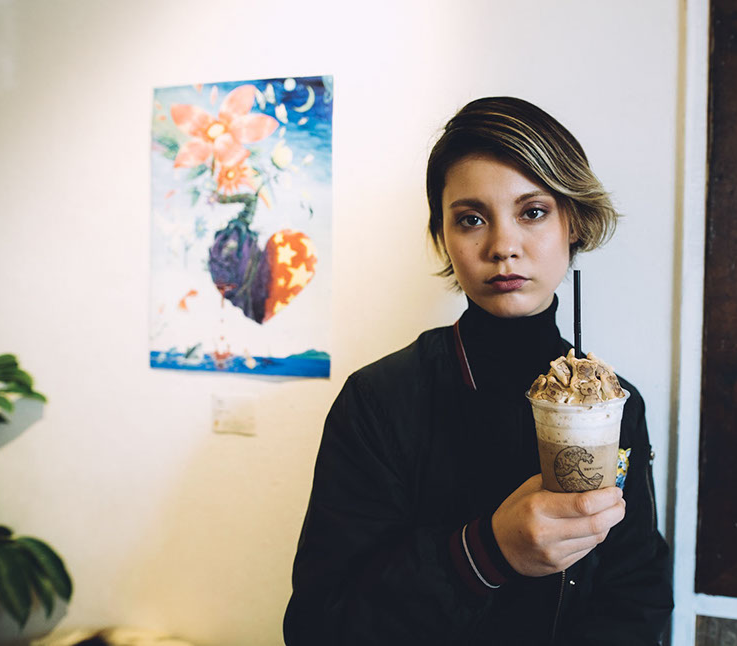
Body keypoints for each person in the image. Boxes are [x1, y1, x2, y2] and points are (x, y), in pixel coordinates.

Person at [283, 97, 673, 645]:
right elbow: (318, 625)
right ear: (443, 236)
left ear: (574, 222)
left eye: (532, 212)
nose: (503, 247)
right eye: (471, 219)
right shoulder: (379, 399)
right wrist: (487, 553)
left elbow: (637, 591)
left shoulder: (615, 404)